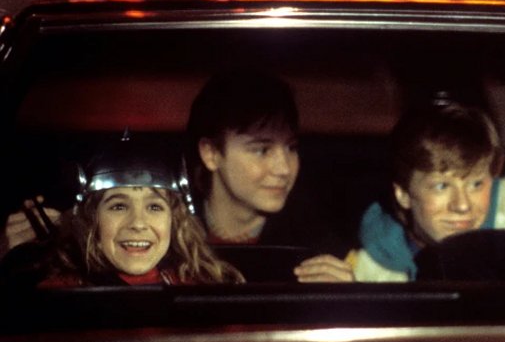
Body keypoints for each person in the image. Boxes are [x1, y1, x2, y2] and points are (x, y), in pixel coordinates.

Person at [185, 70, 354, 282]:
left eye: (291, 148)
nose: (284, 169)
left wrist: (346, 295)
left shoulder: (316, 248)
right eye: (262, 150)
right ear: (211, 153)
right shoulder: (166, 234)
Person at [347, 101, 505, 281]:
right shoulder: (365, 272)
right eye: (441, 186)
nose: (462, 206)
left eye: (476, 184)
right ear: (403, 194)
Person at [38, 134, 243, 287]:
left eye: (154, 207)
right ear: (91, 220)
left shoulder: (201, 288)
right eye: (118, 206)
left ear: (174, 220)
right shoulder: (60, 293)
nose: (137, 223)